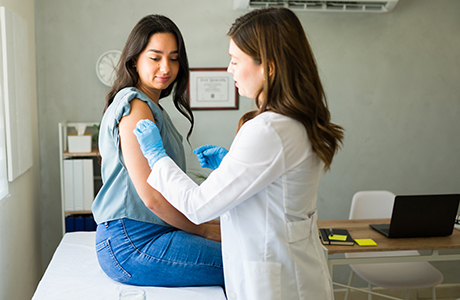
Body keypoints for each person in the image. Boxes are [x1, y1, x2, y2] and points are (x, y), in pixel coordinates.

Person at [134, 7, 344, 300]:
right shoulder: (296, 121)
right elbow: (273, 188)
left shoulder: (267, 129)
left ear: (268, 67)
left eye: (235, 60)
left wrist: (157, 158)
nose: (229, 69)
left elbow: (197, 206)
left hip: (277, 284)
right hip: (296, 272)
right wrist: (228, 168)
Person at [91, 14, 224, 287]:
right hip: (132, 242)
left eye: (174, 58)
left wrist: (209, 223)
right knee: (244, 260)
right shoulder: (136, 108)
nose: (166, 67)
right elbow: (151, 197)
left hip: (152, 232)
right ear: (134, 60)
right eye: (155, 57)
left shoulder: (151, 106)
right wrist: (204, 230)